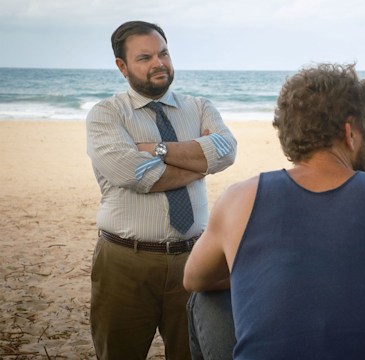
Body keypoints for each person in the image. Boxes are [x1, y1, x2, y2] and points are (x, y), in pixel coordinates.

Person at [183, 63, 365, 360]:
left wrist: (255, 276)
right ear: (350, 133)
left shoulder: (239, 198)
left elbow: (194, 279)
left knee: (205, 299)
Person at [86, 20, 237, 359]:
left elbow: (226, 151)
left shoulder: (199, 107)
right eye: (145, 58)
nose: (159, 63)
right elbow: (134, 173)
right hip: (125, 263)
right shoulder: (106, 115)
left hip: (195, 259)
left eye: (164, 53)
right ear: (121, 67)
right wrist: (199, 163)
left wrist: (157, 149)